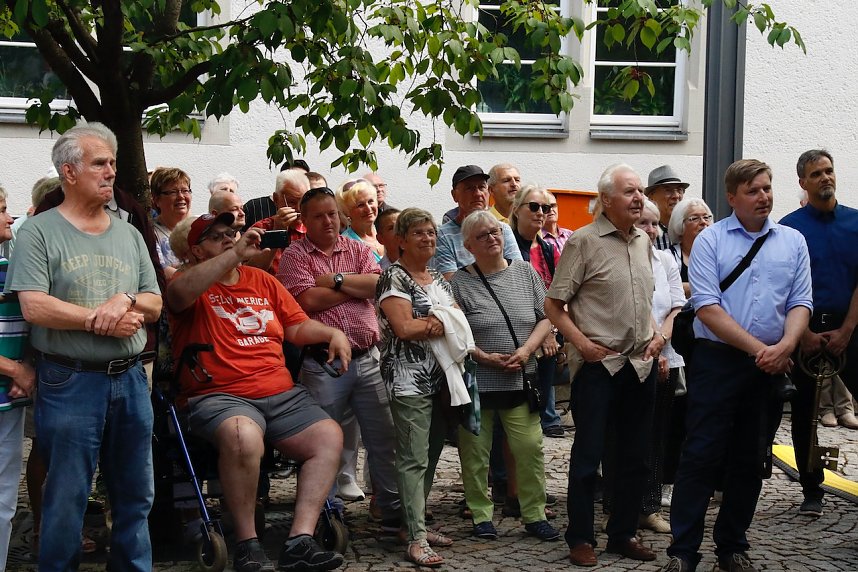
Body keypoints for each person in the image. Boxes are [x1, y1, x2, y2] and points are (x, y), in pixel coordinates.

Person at [6, 123, 162, 571]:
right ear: (69, 172)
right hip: (69, 379)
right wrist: (102, 321)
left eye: (113, 162)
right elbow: (34, 306)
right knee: (66, 498)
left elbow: (153, 301)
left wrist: (127, 300)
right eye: (100, 163)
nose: (111, 171)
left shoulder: (129, 233)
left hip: (131, 378)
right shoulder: (37, 232)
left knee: (135, 493)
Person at [166, 212, 347, 572]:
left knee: (328, 436)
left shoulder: (262, 281)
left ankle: (300, 540)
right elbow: (177, 296)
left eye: (231, 233)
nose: (229, 239)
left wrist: (331, 334)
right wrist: (233, 255)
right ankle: (248, 545)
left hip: (280, 392)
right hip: (219, 395)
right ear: (197, 251)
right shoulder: (189, 281)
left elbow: (296, 327)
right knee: (242, 436)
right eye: (217, 237)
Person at [660, 159, 812, 572]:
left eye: (766, 188)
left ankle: (732, 546)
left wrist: (784, 346)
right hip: (719, 361)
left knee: (750, 457)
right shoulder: (711, 241)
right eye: (753, 191)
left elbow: (801, 302)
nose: (763, 197)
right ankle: (683, 552)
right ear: (732, 197)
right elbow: (707, 307)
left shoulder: (792, 241)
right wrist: (760, 349)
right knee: (701, 454)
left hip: (772, 364)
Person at [545, 164, 661, 567]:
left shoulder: (643, 242)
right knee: (588, 455)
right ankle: (580, 538)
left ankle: (622, 534)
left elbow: (642, 302)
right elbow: (553, 305)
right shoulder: (583, 242)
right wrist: (581, 344)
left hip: (640, 366)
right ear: (606, 200)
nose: (638, 198)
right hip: (599, 367)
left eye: (641, 191)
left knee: (636, 457)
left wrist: (656, 335)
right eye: (630, 192)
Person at [278, 187, 402, 532]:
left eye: (332, 213)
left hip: (368, 358)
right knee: (324, 440)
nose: (328, 221)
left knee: (384, 436)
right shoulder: (295, 256)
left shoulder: (358, 248)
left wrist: (333, 280)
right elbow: (306, 301)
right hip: (323, 365)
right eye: (318, 215)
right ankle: (327, 511)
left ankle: (389, 505)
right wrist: (352, 286)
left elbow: (377, 285)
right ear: (304, 221)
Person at [451, 210, 560, 544]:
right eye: (482, 235)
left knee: (529, 448)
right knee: (475, 453)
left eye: (495, 231)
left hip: (520, 379)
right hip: (478, 384)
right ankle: (481, 515)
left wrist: (527, 351)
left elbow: (546, 316)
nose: (492, 238)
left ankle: (534, 514)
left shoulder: (525, 271)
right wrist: (485, 358)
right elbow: (455, 334)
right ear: (469, 245)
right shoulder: (459, 282)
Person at [779, 149, 858, 518]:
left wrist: (848, 329)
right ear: (803, 183)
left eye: (829, 170)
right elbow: (782, 285)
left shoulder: (856, 223)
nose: (825, 178)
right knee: (805, 413)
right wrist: (804, 332)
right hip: (805, 329)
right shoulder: (788, 227)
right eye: (816, 174)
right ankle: (812, 488)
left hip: (852, 327)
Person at [376, 208, 456, 567]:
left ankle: (413, 524)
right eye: (419, 233)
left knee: (432, 453)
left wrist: (439, 322)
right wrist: (437, 322)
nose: (428, 239)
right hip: (408, 378)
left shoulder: (436, 276)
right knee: (413, 458)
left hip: (442, 376)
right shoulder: (395, 277)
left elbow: (456, 317)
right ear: (402, 240)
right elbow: (404, 328)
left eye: (431, 232)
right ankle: (416, 539)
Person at [630, 199, 685, 534]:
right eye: (643, 224)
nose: (650, 230)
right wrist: (654, 342)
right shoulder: (626, 257)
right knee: (627, 434)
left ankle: (648, 507)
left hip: (667, 355)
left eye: (655, 224)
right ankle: (618, 504)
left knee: (657, 436)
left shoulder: (665, 259)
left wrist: (662, 338)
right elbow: (636, 302)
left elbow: (677, 304)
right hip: (635, 355)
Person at [509, 185, 563, 437]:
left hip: (547, 322)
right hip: (517, 325)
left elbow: (556, 292)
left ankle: (546, 415)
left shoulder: (548, 249)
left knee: (549, 355)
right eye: (533, 206)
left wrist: (551, 329)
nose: (541, 212)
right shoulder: (509, 246)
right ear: (516, 210)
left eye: (546, 207)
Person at [0, 184, 35, 571]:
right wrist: (16, 369)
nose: (10, 217)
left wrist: (26, 366)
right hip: (12, 383)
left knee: (5, 498)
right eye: (2, 209)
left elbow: (28, 326)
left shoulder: (10, 270)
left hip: (9, 399)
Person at [432, 165, 521, 280]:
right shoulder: (442, 235)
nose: (478, 194)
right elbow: (451, 283)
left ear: (488, 192)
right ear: (454, 195)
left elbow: (518, 273)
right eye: (469, 188)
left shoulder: (502, 229)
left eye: (482, 187)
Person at [249, 169, 310, 274]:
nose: (299, 208)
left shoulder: (313, 227)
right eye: (292, 202)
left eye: (303, 202)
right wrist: (277, 232)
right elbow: (251, 272)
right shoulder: (261, 228)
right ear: (276, 199)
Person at [666, 198, 714, 298]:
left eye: (706, 217)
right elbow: (665, 288)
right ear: (680, 225)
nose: (703, 222)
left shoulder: (719, 254)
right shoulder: (669, 257)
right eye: (695, 218)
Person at [151, 166, 193, 279]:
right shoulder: (151, 233)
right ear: (156, 200)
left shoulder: (200, 227)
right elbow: (161, 270)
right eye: (173, 192)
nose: (181, 196)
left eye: (185, 191)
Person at [337, 179, 384, 261]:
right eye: (360, 205)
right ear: (347, 212)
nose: (368, 209)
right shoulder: (345, 245)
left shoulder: (386, 231)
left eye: (370, 201)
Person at [645, 165, 690, 250]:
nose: (676, 196)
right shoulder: (646, 232)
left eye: (679, 190)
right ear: (651, 197)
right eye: (668, 190)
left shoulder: (689, 228)